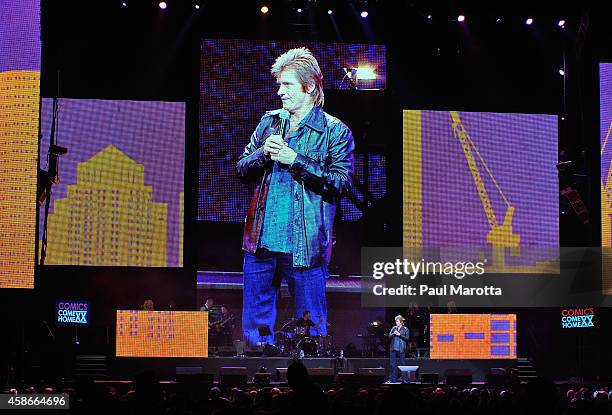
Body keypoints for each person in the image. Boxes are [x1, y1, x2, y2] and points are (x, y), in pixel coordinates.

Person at [237, 47, 354, 345]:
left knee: (310, 327)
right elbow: (242, 168)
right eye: (279, 84)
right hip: (261, 243)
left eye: (287, 85)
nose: (280, 92)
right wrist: (263, 153)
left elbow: (341, 183)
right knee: (256, 329)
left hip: (305, 246)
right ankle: (259, 382)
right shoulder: (269, 122)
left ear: (310, 87)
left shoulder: (334, 131)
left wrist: (295, 160)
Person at [387, 315, 409, 383]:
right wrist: (394, 333)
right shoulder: (394, 328)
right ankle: (392, 379)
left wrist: (400, 335)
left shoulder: (405, 329)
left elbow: (407, 339)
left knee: (403, 364)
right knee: (392, 365)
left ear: (401, 322)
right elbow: (389, 337)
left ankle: (404, 379)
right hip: (393, 349)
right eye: (396, 321)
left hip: (401, 349)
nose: (396, 322)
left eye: (398, 321)